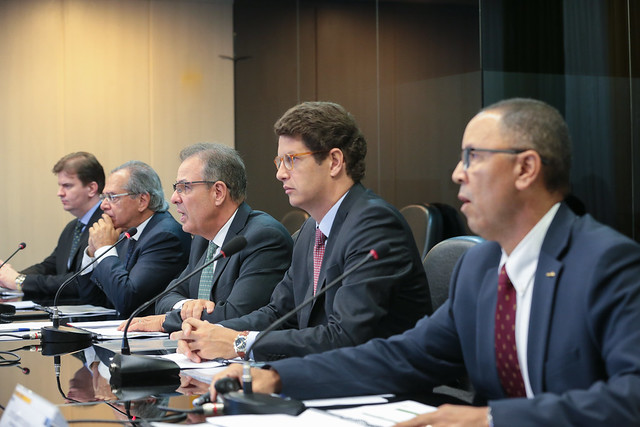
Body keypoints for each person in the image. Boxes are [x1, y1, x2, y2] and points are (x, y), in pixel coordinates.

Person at [212, 98, 640, 426]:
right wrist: (281, 378)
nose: (457, 173)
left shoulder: (608, 263)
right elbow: (404, 356)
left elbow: (631, 395)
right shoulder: (481, 267)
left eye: (473, 156)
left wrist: (490, 419)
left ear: (526, 168)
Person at [171, 102, 431, 362]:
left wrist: (240, 343)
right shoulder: (311, 228)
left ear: (334, 162)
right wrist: (209, 333)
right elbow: (280, 313)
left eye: (291, 160)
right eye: (279, 161)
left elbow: (346, 336)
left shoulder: (374, 224)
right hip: (332, 374)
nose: (280, 173)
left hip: (384, 384)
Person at [122, 143, 293, 332]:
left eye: (184, 187)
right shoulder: (204, 240)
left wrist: (166, 321)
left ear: (218, 192)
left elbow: (236, 315)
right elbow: (166, 298)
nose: (174, 198)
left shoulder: (263, 237)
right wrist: (187, 306)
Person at [76, 161, 192, 317]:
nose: (103, 205)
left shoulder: (165, 236)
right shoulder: (125, 233)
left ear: (142, 201)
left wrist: (104, 249)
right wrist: (92, 253)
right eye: (104, 197)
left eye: (112, 197)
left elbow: (127, 300)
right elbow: (94, 300)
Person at [0, 152, 105, 295]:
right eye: (60, 186)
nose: (59, 193)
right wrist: (8, 276)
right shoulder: (73, 227)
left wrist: (20, 281)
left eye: (67, 186)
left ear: (92, 188)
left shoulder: (106, 225)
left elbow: (79, 280)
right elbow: (50, 266)